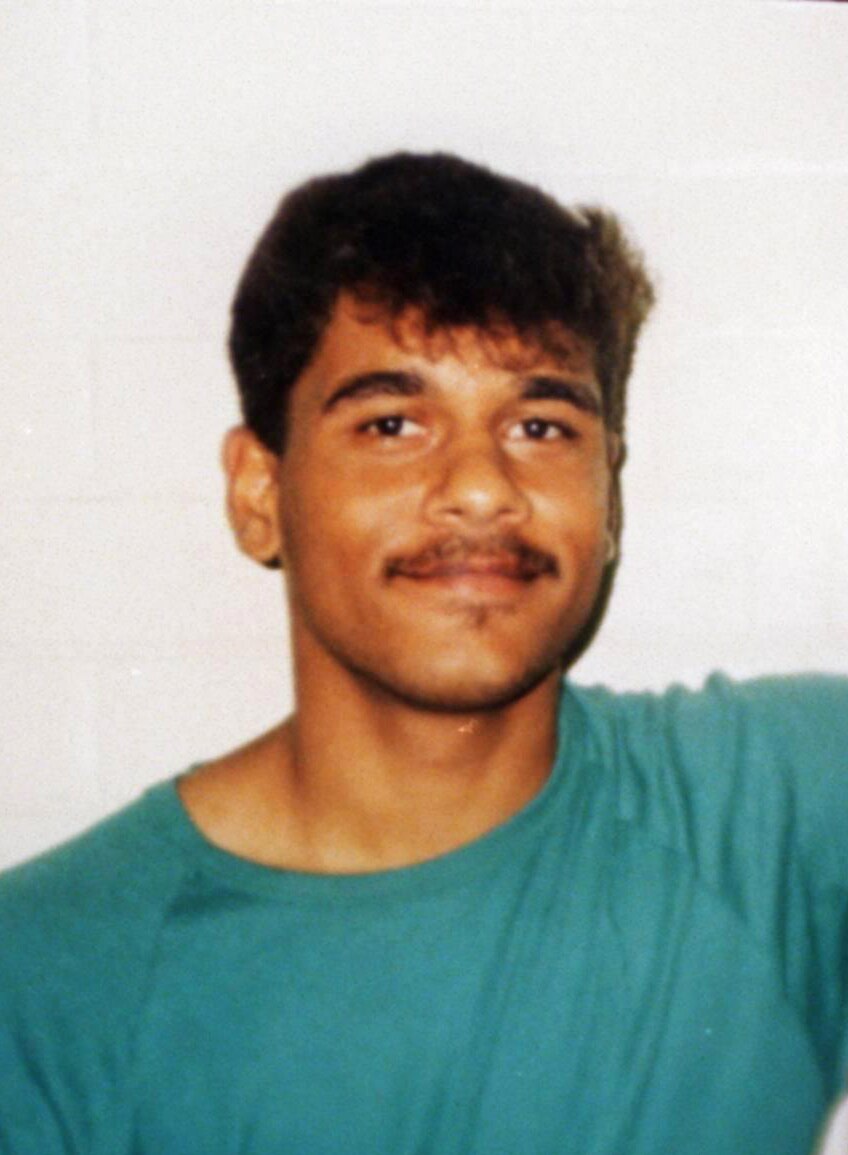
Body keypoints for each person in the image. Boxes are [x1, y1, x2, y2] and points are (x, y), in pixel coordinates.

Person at [0, 152, 845, 1155]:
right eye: (392, 423)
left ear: (608, 496)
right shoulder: (48, 976)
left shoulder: (778, 811)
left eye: (538, 424)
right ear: (258, 494)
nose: (482, 487)